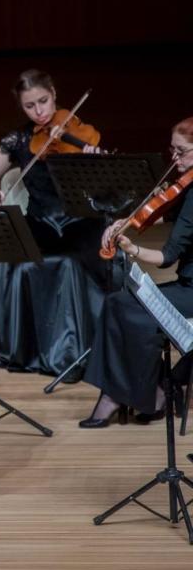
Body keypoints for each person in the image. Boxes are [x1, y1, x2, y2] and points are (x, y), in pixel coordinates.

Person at [0, 70, 108, 377]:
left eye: (43, 101)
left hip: (79, 223)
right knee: (14, 260)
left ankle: (76, 349)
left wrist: (95, 162)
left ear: (54, 93)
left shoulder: (81, 134)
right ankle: (27, 349)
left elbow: (103, 192)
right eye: (30, 106)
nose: (40, 112)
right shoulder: (19, 139)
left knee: (72, 261)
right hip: (41, 223)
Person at [78, 118, 193, 428]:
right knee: (118, 304)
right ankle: (119, 395)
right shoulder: (187, 187)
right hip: (189, 286)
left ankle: (153, 394)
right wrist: (124, 222)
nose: (174, 158)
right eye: (172, 150)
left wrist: (131, 249)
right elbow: (162, 211)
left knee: (130, 310)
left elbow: (166, 256)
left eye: (181, 151)